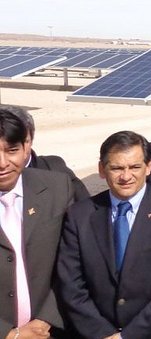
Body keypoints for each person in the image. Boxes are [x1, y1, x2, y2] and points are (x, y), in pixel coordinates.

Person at [56, 131, 151, 339]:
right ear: (102, 169)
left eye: (135, 167)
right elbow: (71, 283)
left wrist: (129, 336)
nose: (126, 176)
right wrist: (102, 333)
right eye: (117, 168)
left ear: (149, 167)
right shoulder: (79, 214)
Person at [0, 109, 73, 339]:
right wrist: (10, 334)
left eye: (12, 151)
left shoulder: (57, 188)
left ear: (26, 147)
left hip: (49, 331)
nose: (2, 163)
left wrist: (45, 320)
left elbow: (74, 261)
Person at [0, 104, 90, 201]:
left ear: (31, 139)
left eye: (24, 141)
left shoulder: (56, 173)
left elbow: (84, 208)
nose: (3, 163)